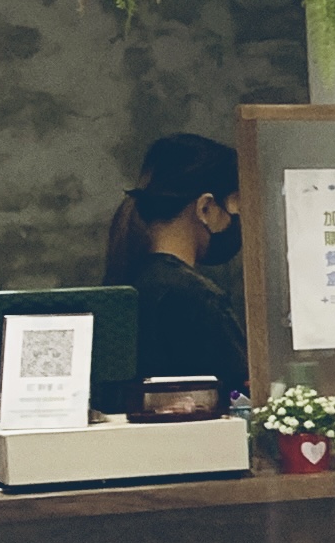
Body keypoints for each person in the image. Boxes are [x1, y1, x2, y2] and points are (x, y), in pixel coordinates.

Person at [103, 132, 252, 390]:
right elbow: (238, 395)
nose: (237, 221)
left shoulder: (130, 283)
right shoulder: (196, 297)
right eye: (236, 208)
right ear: (205, 208)